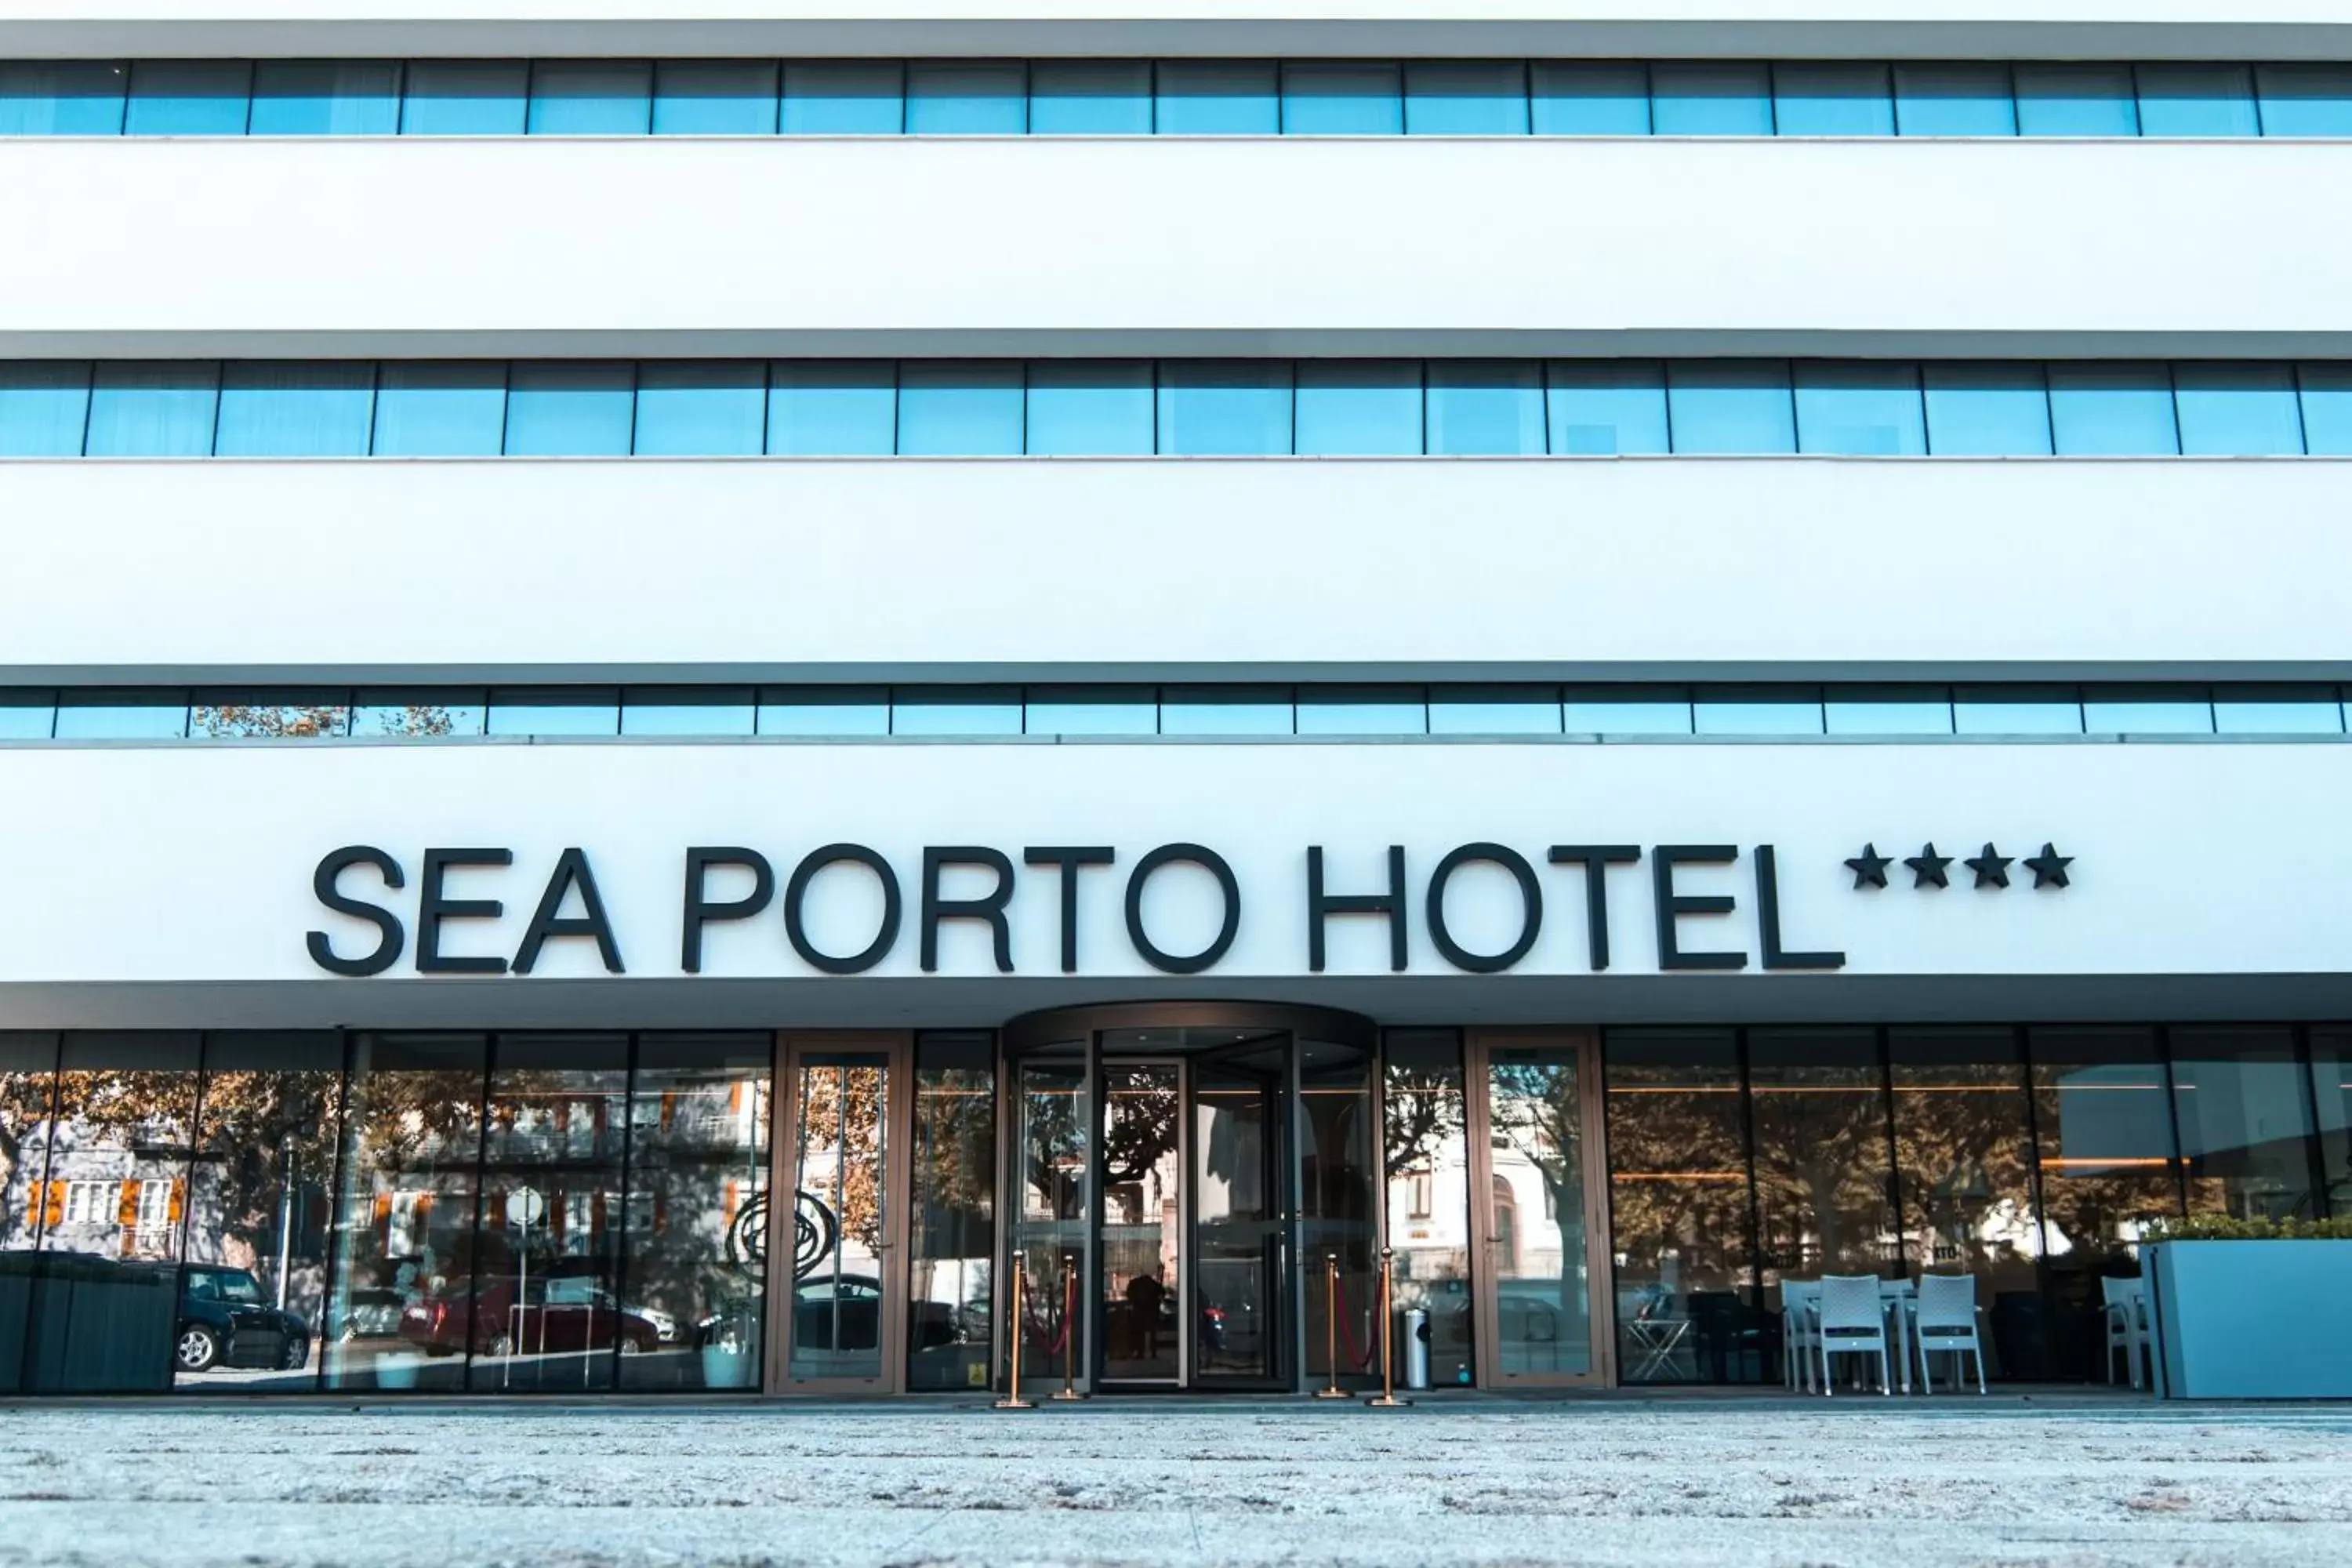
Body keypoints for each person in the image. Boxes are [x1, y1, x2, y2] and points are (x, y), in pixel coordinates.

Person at [1124, 1269, 1167, 1359]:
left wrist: (1132, 1301)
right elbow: (1163, 1292)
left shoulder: (1135, 1283)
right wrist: (1157, 1301)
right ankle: (1153, 1353)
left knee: (1139, 1332)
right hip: (1151, 1311)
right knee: (1152, 1332)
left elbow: (1129, 1294)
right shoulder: (1153, 1284)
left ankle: (1140, 1352)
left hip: (1139, 1310)